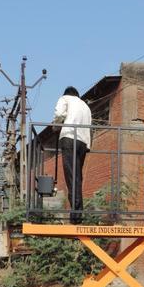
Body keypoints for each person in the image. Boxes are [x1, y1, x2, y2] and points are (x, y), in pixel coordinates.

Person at [53, 86, 92, 224]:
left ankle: (75, 214)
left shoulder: (65, 98)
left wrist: (56, 125)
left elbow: (59, 114)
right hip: (83, 142)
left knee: (71, 176)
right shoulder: (85, 106)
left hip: (69, 137)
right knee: (77, 177)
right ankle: (78, 213)